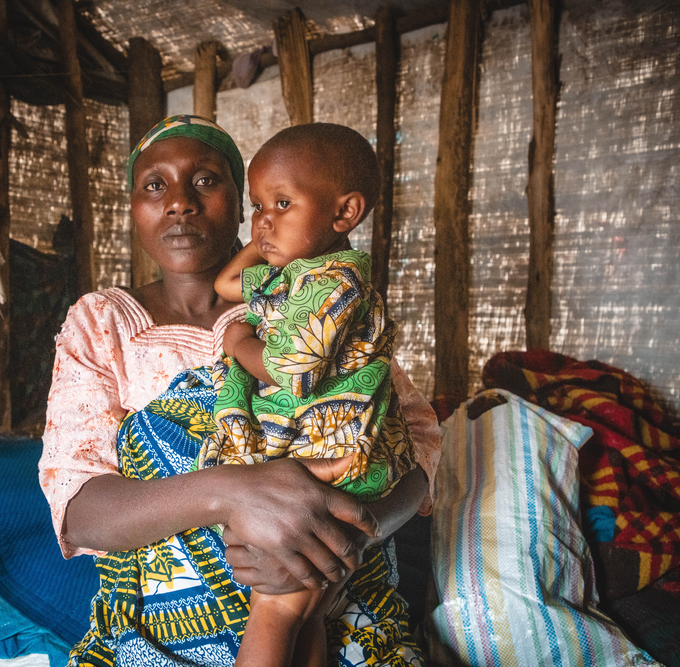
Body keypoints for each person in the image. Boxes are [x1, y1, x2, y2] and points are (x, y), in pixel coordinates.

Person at [39, 115, 441, 667]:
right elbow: (78, 508)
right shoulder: (103, 323)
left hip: (342, 609)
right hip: (161, 638)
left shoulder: (313, 300)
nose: (179, 202)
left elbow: (413, 450)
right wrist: (237, 492)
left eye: (205, 179)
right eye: (154, 185)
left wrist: (333, 541)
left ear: (240, 197)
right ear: (133, 207)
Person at [198, 123, 420, 666]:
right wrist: (269, 233)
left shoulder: (335, 283)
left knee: (275, 610)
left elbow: (287, 370)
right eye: (256, 206)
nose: (263, 220)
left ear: (344, 214)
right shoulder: (296, 276)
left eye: (281, 202)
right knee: (305, 614)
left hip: (329, 462)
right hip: (315, 459)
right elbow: (227, 285)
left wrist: (239, 339)